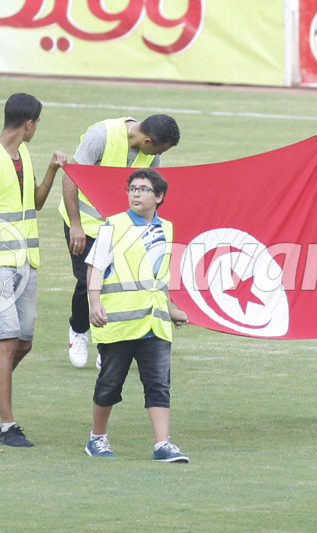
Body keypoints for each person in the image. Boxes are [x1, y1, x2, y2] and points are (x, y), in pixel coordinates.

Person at [0, 92, 69, 447]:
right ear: (30, 123)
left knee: (23, 344)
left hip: (26, 262)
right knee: (7, 342)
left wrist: (52, 169)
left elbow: (33, 204)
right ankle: (8, 427)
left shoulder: (24, 154)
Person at [83, 168, 190, 462]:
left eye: (143, 189)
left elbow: (159, 277)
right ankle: (97, 438)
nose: (136, 194)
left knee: (158, 383)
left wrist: (171, 310)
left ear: (159, 197)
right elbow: (95, 267)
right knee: (110, 383)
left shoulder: (166, 228)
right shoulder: (113, 226)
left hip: (154, 323)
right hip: (118, 322)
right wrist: (94, 303)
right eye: (132, 189)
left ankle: (162, 444)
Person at [60, 115, 180, 369]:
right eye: (158, 150)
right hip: (86, 224)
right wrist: (76, 226)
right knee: (88, 280)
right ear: (147, 140)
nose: (158, 155)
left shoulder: (151, 153)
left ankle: (108, 346)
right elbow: (70, 177)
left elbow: (149, 188)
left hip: (121, 227)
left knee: (118, 283)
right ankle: (78, 330)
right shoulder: (101, 135)